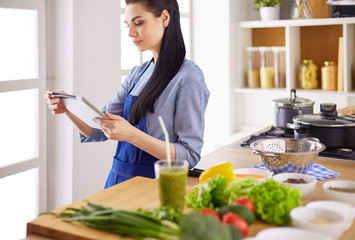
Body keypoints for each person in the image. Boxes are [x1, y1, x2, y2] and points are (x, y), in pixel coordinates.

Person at [44, 0, 210, 188]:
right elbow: (98, 129)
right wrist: (67, 107)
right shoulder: (137, 74)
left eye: (138, 23)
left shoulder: (189, 77)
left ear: (164, 18)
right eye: (127, 25)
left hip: (157, 186)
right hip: (118, 181)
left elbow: (188, 155)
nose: (131, 33)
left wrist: (132, 135)